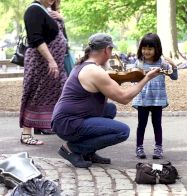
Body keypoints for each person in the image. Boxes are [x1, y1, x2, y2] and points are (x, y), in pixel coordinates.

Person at [51, 33, 160, 168]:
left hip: (66, 120)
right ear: (106, 50)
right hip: (68, 123)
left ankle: (88, 152)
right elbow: (124, 98)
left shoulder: (86, 65)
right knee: (122, 131)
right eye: (111, 50)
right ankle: (72, 149)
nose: (111, 53)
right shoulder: (94, 71)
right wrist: (146, 78)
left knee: (110, 109)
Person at [20, 0, 68, 145]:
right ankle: (26, 134)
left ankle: (46, 125)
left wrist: (61, 20)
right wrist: (51, 60)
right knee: (35, 93)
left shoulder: (48, 12)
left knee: (60, 92)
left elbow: (61, 37)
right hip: (40, 63)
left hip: (55, 64)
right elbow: (35, 38)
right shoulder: (33, 10)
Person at [132, 33, 178, 159]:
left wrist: (173, 65)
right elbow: (133, 79)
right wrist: (133, 75)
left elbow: (174, 77)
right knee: (141, 124)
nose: (146, 51)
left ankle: (158, 148)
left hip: (157, 99)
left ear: (156, 49)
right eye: (144, 48)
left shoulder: (161, 63)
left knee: (157, 124)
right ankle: (139, 147)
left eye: (150, 48)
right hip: (143, 99)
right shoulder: (139, 63)